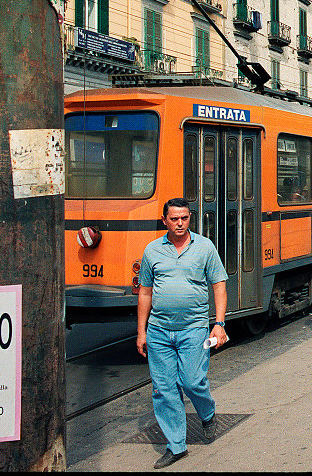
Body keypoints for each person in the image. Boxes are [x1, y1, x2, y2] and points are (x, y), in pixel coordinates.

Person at [138, 198, 228, 469]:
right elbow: (144, 292)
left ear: (190, 219)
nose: (180, 223)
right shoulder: (152, 250)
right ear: (164, 220)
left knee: (191, 381)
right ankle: (176, 446)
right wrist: (141, 332)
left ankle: (207, 413)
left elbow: (219, 285)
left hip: (193, 329)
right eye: (174, 218)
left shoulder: (204, 247)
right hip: (159, 331)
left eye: (185, 218)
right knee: (163, 389)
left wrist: (219, 323)